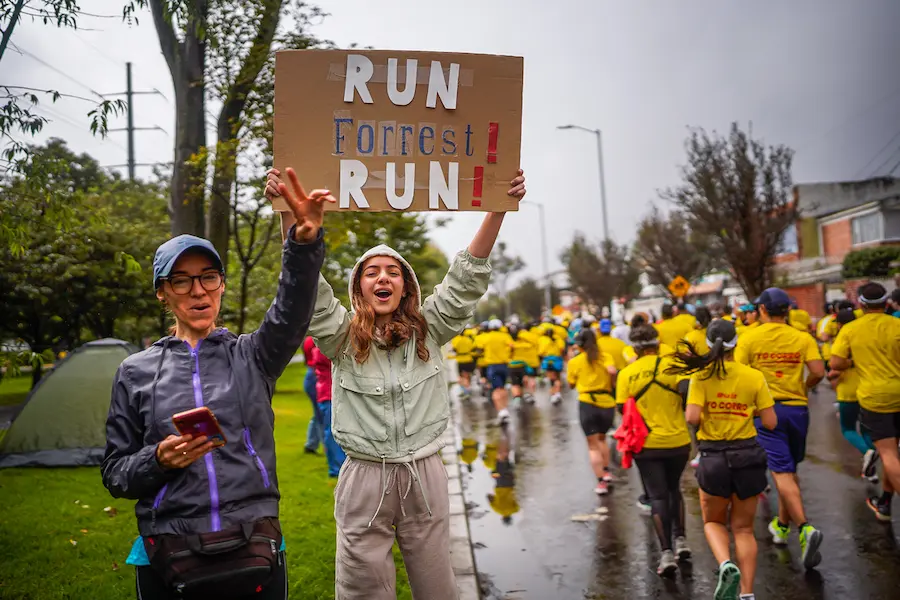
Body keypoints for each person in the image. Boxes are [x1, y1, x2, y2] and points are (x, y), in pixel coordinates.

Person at [268, 166, 527, 600]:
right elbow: (307, 289)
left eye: (392, 271)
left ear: (406, 285)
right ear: (359, 288)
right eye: (371, 272)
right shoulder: (340, 335)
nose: (382, 278)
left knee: (437, 586)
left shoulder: (431, 328)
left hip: (425, 473)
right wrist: (290, 215)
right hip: (364, 477)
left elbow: (466, 279)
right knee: (361, 588)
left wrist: (498, 208)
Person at [102, 171, 328, 600]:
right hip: (169, 548)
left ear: (221, 285)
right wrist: (159, 459)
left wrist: (304, 242)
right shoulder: (134, 371)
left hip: (253, 541)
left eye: (208, 277)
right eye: (181, 281)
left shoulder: (253, 355)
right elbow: (116, 475)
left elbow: (293, 305)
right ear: (162, 293)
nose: (197, 290)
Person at [668, 319, 777, 600]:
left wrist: (713, 414)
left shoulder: (701, 377)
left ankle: (726, 564)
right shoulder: (753, 376)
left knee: (713, 522)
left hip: (714, 456)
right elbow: (771, 421)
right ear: (736, 343)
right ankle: (747, 594)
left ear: (708, 344)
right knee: (743, 529)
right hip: (748, 455)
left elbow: (692, 417)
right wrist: (742, 411)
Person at [734, 287, 825, 570]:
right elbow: (819, 372)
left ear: (761, 310)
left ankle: (805, 528)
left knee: (782, 474)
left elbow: (738, 374)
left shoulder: (749, 338)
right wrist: (803, 386)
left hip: (767, 411)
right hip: (797, 409)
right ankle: (782, 527)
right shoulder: (802, 337)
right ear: (787, 310)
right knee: (790, 471)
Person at [616, 325, 692, 577]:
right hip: (679, 442)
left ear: (635, 348)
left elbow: (621, 409)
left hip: (646, 445)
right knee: (674, 490)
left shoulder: (627, 374)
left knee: (658, 496)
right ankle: (681, 541)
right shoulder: (675, 367)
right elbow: (687, 396)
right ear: (658, 345)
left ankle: (667, 554)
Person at [829, 282, 900, 522]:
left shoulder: (851, 329)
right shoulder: (897, 324)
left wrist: (854, 361)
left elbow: (835, 363)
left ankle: (888, 501)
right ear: (886, 302)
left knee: (889, 455)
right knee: (894, 455)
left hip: (875, 398)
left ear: (861, 303)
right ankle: (885, 503)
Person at [826, 309, 878, 482]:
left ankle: (867, 452)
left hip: (848, 391)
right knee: (866, 429)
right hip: (867, 388)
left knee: (848, 428)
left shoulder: (842, 340)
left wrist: (831, 375)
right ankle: (872, 466)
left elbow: (834, 369)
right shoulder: (866, 337)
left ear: (840, 324)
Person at [567, 329, 617, 495]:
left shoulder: (575, 361)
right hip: (607, 403)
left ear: (580, 345)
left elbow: (571, 384)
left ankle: (601, 481)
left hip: (588, 404)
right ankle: (607, 470)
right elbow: (612, 372)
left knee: (592, 446)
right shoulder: (606, 356)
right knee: (602, 439)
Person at [306, 337, 347, 478]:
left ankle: (338, 465)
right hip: (328, 394)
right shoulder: (321, 350)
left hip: (328, 392)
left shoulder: (320, 347)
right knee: (332, 430)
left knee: (331, 429)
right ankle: (336, 468)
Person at [481, 319, 515, 425]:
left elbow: (479, 348)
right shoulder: (505, 336)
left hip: (492, 367)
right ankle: (505, 409)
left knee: (496, 389)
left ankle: (501, 411)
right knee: (503, 387)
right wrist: (509, 355)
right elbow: (512, 346)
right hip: (504, 365)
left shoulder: (486, 336)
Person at [302, 337, 323, 455]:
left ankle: (311, 444)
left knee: (318, 413)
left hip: (310, 374)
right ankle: (328, 448)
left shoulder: (308, 339)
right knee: (322, 415)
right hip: (316, 375)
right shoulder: (315, 340)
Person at [539, 327, 566, 404]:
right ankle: (557, 393)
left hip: (548, 360)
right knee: (557, 377)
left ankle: (553, 394)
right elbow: (562, 349)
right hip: (557, 360)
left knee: (551, 379)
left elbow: (541, 352)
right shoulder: (559, 340)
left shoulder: (544, 340)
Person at [450, 329, 477, 398]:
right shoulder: (468, 339)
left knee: (462, 377)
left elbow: (454, 349)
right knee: (467, 376)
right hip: (469, 359)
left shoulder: (456, 339)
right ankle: (468, 389)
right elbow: (473, 348)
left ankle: (465, 391)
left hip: (461, 360)